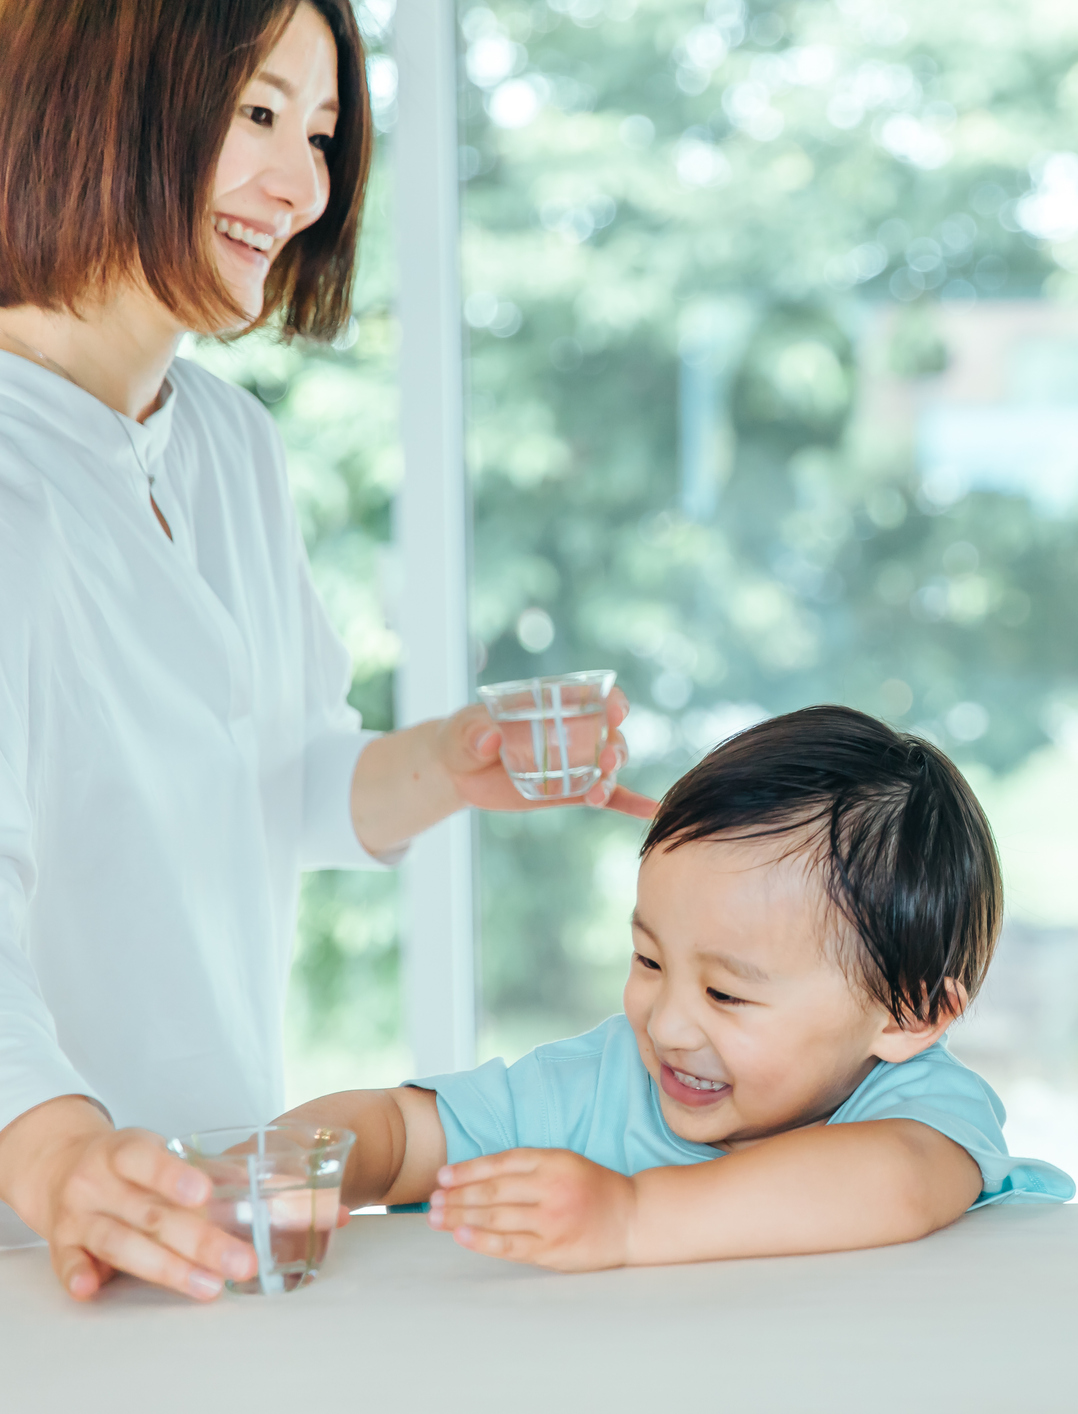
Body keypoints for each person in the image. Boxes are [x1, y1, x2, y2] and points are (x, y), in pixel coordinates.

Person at [0, 0, 650, 1302]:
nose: (299, 185)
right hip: (50, 1223)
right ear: (101, 96)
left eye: (323, 131)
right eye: (256, 114)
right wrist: (57, 1149)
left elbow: (274, 780)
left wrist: (455, 764)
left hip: (203, 1194)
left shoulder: (231, 448)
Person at [275, 707, 1071, 1268]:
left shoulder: (919, 1108)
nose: (668, 1026)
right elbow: (400, 1132)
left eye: (726, 993)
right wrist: (281, 1169)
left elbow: (894, 1181)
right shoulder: (602, 1082)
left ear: (910, 1013)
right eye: (649, 961)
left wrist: (627, 1218)